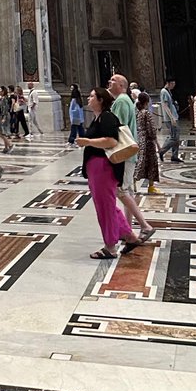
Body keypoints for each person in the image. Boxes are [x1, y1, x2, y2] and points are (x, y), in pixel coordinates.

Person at [76, 87, 141, 259]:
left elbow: (111, 141)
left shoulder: (107, 117)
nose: (88, 99)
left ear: (101, 100)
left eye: (91, 96)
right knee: (109, 205)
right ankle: (130, 236)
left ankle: (110, 247)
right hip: (96, 168)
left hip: (104, 168)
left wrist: (87, 141)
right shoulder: (97, 118)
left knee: (105, 208)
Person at [108, 74, 155, 241]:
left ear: (122, 85)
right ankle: (127, 229)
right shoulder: (125, 99)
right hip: (128, 151)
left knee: (121, 190)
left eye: (113, 80)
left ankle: (144, 225)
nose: (109, 82)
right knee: (126, 190)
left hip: (124, 151)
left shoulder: (121, 101)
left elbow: (115, 126)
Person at [133, 92, 160, 194]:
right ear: (147, 101)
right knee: (152, 163)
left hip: (140, 139)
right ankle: (151, 186)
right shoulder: (147, 113)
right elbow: (151, 128)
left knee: (141, 161)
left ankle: (134, 180)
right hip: (148, 141)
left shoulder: (138, 113)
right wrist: (155, 140)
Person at [158, 78, 183, 163]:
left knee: (177, 137)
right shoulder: (164, 92)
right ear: (168, 83)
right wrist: (171, 117)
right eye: (172, 84)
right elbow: (165, 105)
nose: (173, 85)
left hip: (174, 116)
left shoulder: (168, 91)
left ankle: (174, 155)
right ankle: (162, 151)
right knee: (174, 137)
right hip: (170, 118)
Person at [0, 86, 14, 154]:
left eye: (0, 89)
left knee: (0, 133)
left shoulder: (4, 99)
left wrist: (4, 118)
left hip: (4, 116)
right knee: (3, 133)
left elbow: (5, 109)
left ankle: (10, 144)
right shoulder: (2, 98)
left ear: (3, 91)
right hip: (1, 116)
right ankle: (6, 147)